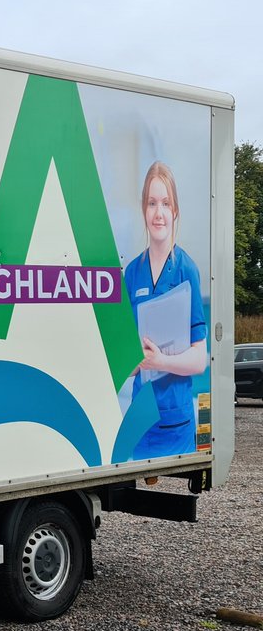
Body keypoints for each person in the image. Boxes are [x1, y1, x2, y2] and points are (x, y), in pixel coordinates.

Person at [122, 161, 208, 459]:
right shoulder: (132, 273)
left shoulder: (187, 270)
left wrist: (161, 360)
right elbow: (121, 356)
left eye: (165, 203)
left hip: (177, 423)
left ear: (175, 211)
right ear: (143, 210)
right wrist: (135, 361)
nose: (158, 213)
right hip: (140, 421)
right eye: (152, 203)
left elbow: (199, 360)